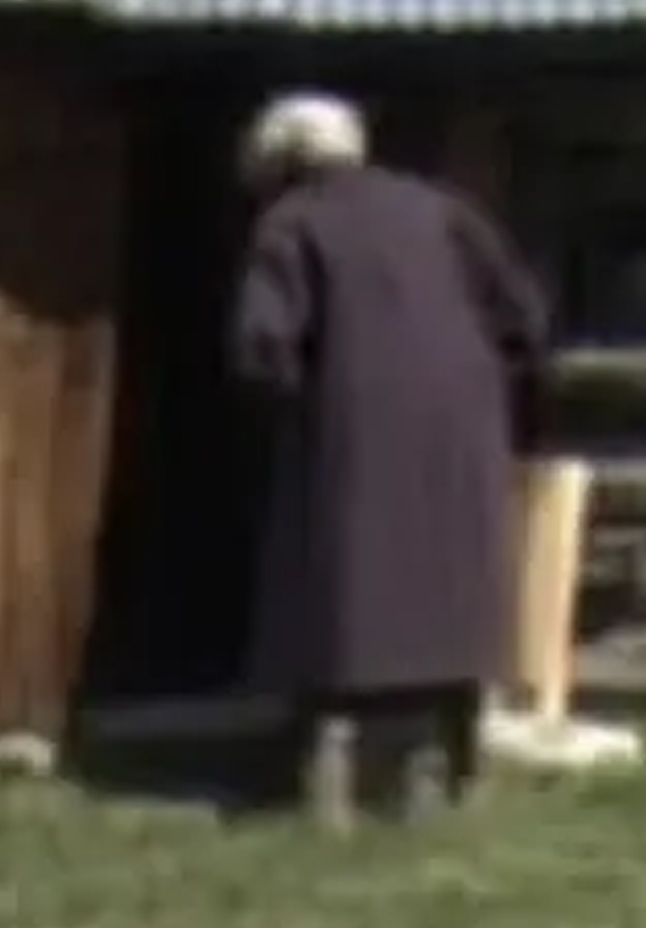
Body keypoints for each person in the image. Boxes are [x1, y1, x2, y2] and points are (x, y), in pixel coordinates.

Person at [226, 91, 551, 831]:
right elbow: (522, 313)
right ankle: (448, 765)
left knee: (350, 584)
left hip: (351, 424)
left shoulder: (291, 222)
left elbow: (263, 343)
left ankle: (341, 777)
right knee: (449, 580)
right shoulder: (440, 208)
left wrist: (290, 411)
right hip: (463, 422)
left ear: (284, 164)